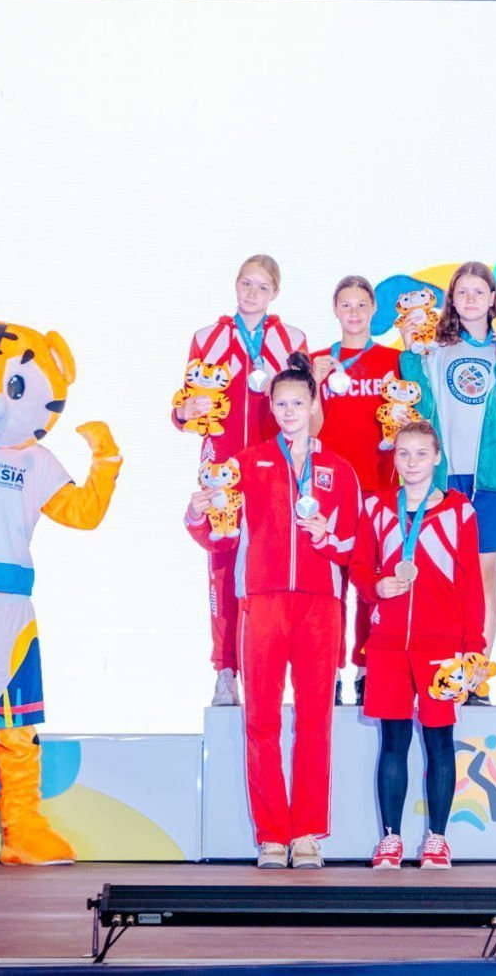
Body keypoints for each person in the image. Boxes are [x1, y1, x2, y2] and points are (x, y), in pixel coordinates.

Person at [186, 352, 360, 870]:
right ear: (270, 405)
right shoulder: (244, 464)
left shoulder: (339, 470)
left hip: (320, 605)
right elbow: (220, 537)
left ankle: (306, 833)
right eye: (280, 403)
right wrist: (197, 514)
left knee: (314, 721)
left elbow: (354, 547)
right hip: (260, 602)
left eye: (297, 403)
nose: (289, 412)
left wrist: (326, 538)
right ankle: (271, 837)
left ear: (314, 404)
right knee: (260, 720)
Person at [350, 419, 487, 871]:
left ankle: (437, 839)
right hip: (388, 645)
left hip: (441, 646)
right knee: (393, 741)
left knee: (439, 740)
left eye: (421, 454)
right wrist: (377, 586)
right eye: (403, 453)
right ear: (394, 456)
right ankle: (390, 838)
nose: (411, 462)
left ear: (437, 458)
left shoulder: (460, 512)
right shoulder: (376, 508)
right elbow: (359, 569)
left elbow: (471, 584)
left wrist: (474, 647)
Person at [399, 262, 496, 704]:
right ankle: (441, 669)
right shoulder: (436, 350)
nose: (472, 299)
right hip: (445, 477)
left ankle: (476, 674)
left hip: (491, 480)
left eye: (480, 291)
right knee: (438, 576)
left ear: (494, 298)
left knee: (483, 577)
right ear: (452, 300)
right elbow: (418, 404)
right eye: (463, 292)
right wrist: (409, 354)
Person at [176, 254, 308, 708]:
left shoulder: (292, 340)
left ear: (276, 293)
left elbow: (305, 404)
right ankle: (226, 670)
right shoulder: (206, 338)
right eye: (246, 283)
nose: (252, 293)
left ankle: (269, 673)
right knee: (222, 562)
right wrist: (183, 412)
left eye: (262, 287)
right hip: (221, 466)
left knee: (273, 566)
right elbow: (185, 407)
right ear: (235, 284)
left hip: (275, 466)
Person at [309, 275, 402, 707]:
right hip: (330, 492)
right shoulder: (317, 361)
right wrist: (314, 384)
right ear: (334, 309)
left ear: (373, 310)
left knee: (370, 584)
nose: (354, 313)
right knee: (331, 588)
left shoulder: (393, 361)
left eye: (361, 305)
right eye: (346, 305)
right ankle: (328, 672)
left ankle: (367, 669)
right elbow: (309, 431)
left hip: (380, 487)